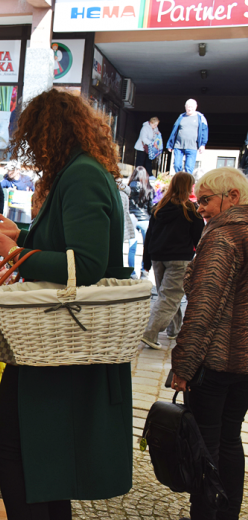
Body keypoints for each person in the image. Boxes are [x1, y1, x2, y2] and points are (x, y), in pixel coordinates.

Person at [0, 89, 134, 520]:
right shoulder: (81, 171)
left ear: (51, 133)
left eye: (34, 139)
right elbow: (66, 247)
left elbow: (84, 263)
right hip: (56, 341)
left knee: (13, 446)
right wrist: (22, 236)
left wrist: (15, 253)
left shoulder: (81, 175)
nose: (33, 151)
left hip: (59, 342)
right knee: (43, 460)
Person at [171, 166, 248, 520]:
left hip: (215, 364)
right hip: (244, 365)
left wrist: (183, 367)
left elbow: (202, 309)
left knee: (206, 448)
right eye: (197, 200)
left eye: (205, 200)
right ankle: (227, 515)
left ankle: (206, 514)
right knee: (231, 441)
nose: (200, 208)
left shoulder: (222, 237)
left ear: (232, 197)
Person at [140, 172, 204, 351]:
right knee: (170, 297)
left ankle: (174, 330)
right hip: (179, 258)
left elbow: (149, 236)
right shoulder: (191, 210)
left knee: (166, 296)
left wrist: (146, 262)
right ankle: (149, 333)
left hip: (157, 257)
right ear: (189, 186)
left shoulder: (159, 208)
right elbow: (199, 238)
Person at [166, 99, 208, 174]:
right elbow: (174, 131)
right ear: (185, 107)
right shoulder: (181, 117)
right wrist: (170, 144)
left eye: (191, 107)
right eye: (188, 106)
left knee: (189, 168)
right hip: (178, 146)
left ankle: (188, 184)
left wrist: (202, 145)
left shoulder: (200, 118)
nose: (189, 108)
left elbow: (204, 131)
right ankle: (179, 180)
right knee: (176, 165)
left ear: (196, 107)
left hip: (192, 147)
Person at [127, 166, 154, 279]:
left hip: (132, 218)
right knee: (146, 247)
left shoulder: (128, 187)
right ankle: (144, 271)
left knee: (132, 247)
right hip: (145, 219)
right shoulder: (148, 188)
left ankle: (131, 272)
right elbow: (151, 206)